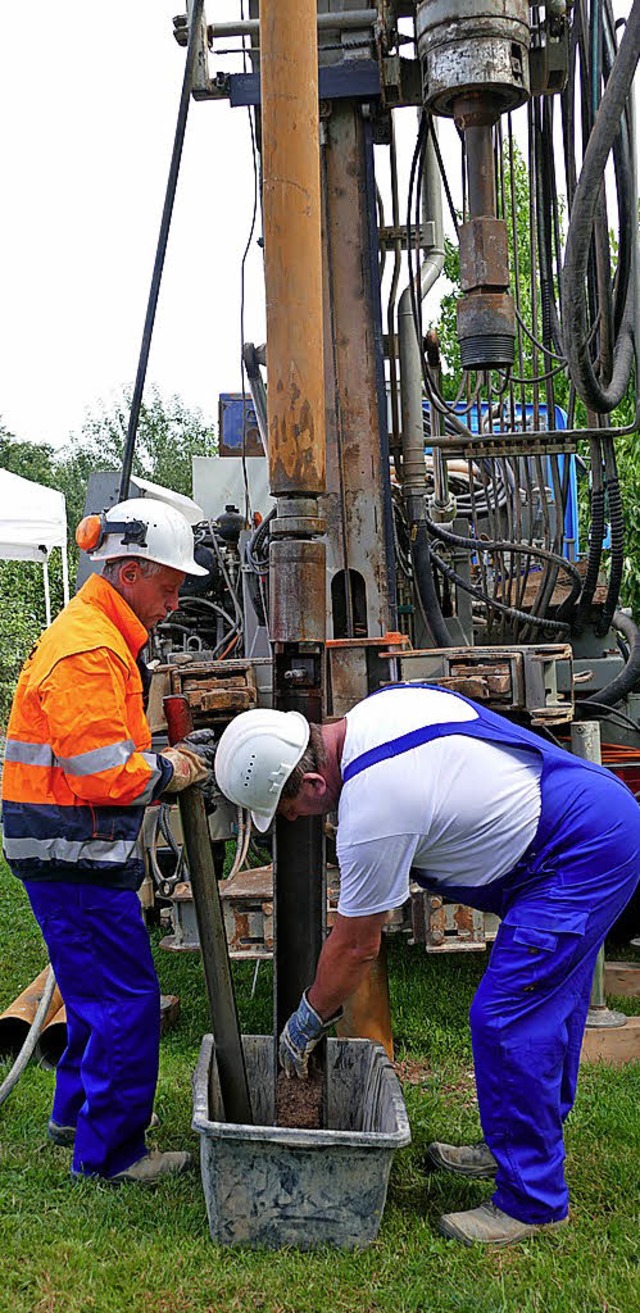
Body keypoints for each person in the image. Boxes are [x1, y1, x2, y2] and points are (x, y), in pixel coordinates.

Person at [213, 684, 640, 1245]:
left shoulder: (373, 810)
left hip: (576, 853)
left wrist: (308, 1017)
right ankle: (513, 1143)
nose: (294, 820)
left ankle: (532, 1202)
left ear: (315, 784)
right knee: (544, 1005)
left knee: (508, 1018)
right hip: (590, 813)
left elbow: (356, 945)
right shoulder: (377, 711)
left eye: (291, 809)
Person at [1, 498, 215, 1183]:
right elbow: (101, 774)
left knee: (93, 995)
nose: (175, 602)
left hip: (65, 851)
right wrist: (172, 766)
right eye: (169, 585)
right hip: (75, 854)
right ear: (128, 571)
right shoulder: (91, 648)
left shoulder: (97, 632)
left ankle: (74, 1115)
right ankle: (111, 1154)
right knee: (125, 1001)